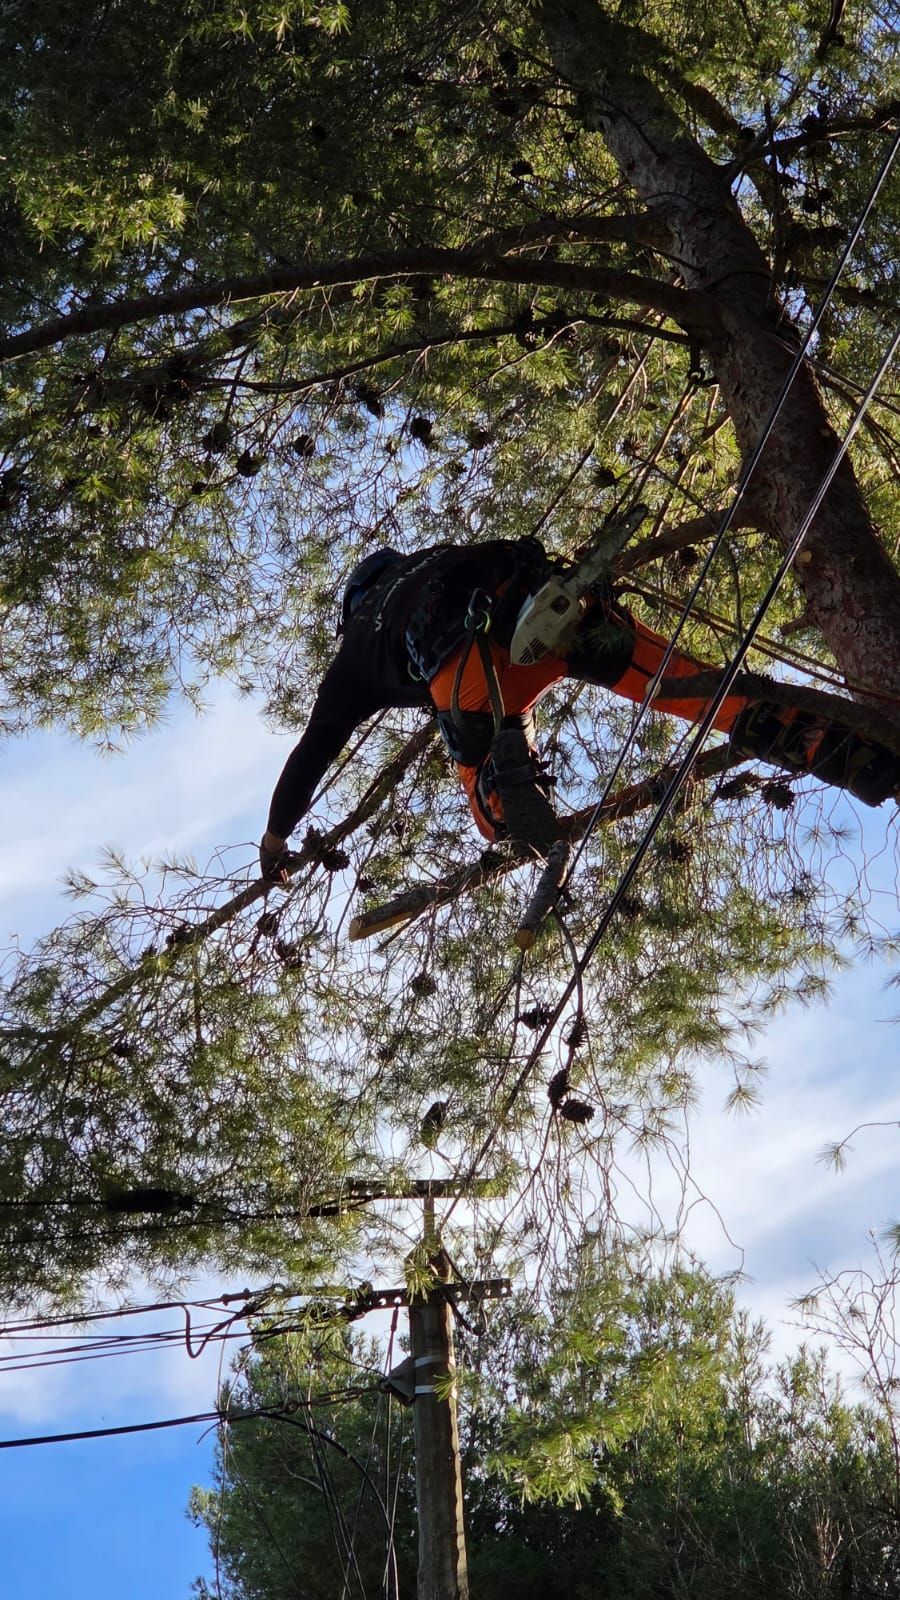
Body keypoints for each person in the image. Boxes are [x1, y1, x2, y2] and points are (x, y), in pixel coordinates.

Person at [259, 539, 900, 876]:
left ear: (352, 603)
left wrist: (277, 830)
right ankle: (843, 750)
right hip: (552, 607)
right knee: (696, 688)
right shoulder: (435, 558)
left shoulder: (352, 657)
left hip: (472, 674)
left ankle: (506, 788)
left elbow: (313, 748)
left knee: (487, 787)